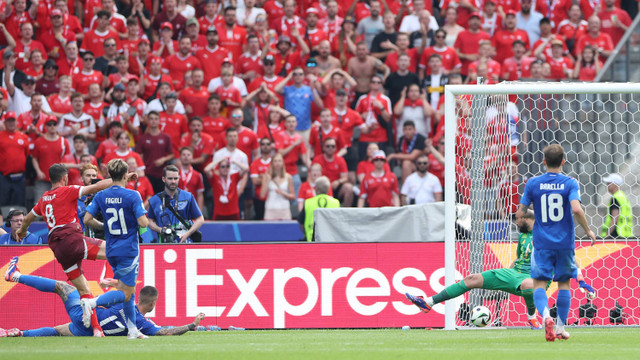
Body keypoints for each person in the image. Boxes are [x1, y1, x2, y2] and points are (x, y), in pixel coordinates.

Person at [406, 210, 596, 329]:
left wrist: (581, 280)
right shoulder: (522, 237)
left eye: (517, 219)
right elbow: (519, 258)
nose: (515, 223)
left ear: (527, 218)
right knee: (472, 278)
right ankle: (428, 302)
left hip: (536, 277)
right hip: (513, 274)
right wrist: (505, 276)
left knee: (530, 286)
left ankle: (532, 315)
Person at [16, 163, 138, 336]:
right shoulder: (67, 190)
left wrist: (21, 230)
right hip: (72, 240)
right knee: (117, 250)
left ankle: (97, 329)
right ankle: (117, 282)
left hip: (58, 249)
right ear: (64, 177)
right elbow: (96, 186)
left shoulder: (43, 199)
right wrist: (118, 180)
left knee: (84, 291)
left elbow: (27, 218)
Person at [517, 144, 596, 341]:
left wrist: (539, 215)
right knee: (563, 284)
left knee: (539, 284)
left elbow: (521, 212)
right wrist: (587, 230)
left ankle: (545, 318)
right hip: (564, 243)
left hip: (542, 243)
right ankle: (560, 328)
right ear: (563, 161)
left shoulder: (533, 183)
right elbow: (576, 209)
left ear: (543, 161)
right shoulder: (570, 182)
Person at [1, 270, 205, 337]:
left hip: (87, 319)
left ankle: (16, 275)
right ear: (152, 304)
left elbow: (122, 291)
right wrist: (192, 325)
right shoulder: (142, 323)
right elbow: (165, 332)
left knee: (62, 287)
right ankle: (19, 334)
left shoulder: (126, 302)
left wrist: (113, 283)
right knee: (57, 331)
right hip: (88, 331)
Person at [82, 159, 150, 339]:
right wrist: (140, 216)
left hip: (111, 249)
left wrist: (104, 226)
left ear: (109, 174)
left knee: (129, 291)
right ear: (125, 174)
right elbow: (143, 223)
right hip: (128, 249)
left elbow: (87, 219)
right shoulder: (133, 195)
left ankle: (133, 330)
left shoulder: (101, 195)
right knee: (125, 292)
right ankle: (92, 303)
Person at [147, 165, 205, 243]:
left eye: (175, 178)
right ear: (163, 179)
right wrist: (160, 230)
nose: (173, 181)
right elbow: (149, 221)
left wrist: (188, 233)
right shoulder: (154, 200)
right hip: (164, 244)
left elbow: (200, 219)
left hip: (185, 242)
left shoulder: (188, 197)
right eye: (170, 178)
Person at [297, 176, 340, 241]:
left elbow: (301, 223)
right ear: (328, 189)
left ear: (316, 189)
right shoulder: (336, 203)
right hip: (331, 239)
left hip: (311, 240)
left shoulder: (308, 202)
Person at [0, 111, 29, 208]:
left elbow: (27, 155)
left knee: (19, 204)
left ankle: (18, 223)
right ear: (5, 123)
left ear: (16, 122)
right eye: (9, 121)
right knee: (3, 203)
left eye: (13, 120)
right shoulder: (0, 136)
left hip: (20, 177)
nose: (11, 123)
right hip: (4, 177)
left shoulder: (23, 137)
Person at [261, 153, 295, 220]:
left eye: (279, 161)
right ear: (272, 163)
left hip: (284, 208)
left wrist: (283, 193)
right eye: (275, 161)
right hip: (270, 208)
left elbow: (293, 196)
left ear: (282, 163)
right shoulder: (267, 176)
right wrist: (267, 180)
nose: (277, 163)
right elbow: (262, 195)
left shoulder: (288, 177)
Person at [600, 173, 633, 239]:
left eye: (609, 183)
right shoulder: (623, 196)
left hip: (616, 235)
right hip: (626, 234)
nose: (607, 185)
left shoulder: (616, 198)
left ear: (615, 184)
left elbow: (615, 217)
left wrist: (607, 235)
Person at [250, 138, 274, 220]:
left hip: (273, 196)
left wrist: (262, 176)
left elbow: (279, 177)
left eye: (268, 144)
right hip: (260, 198)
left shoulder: (275, 161)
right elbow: (255, 181)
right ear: (260, 146)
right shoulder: (255, 163)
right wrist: (268, 177)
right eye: (263, 144)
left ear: (271, 146)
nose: (265, 146)